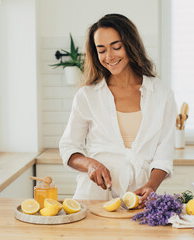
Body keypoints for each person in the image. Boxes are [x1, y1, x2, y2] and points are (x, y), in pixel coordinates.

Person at [59, 13, 176, 208]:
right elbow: (69, 148)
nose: (109, 56)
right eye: (101, 50)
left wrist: (151, 186)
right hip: (93, 196)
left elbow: (163, 154)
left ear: (130, 45)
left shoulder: (161, 94)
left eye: (116, 47)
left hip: (141, 200)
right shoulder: (87, 96)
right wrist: (90, 164)